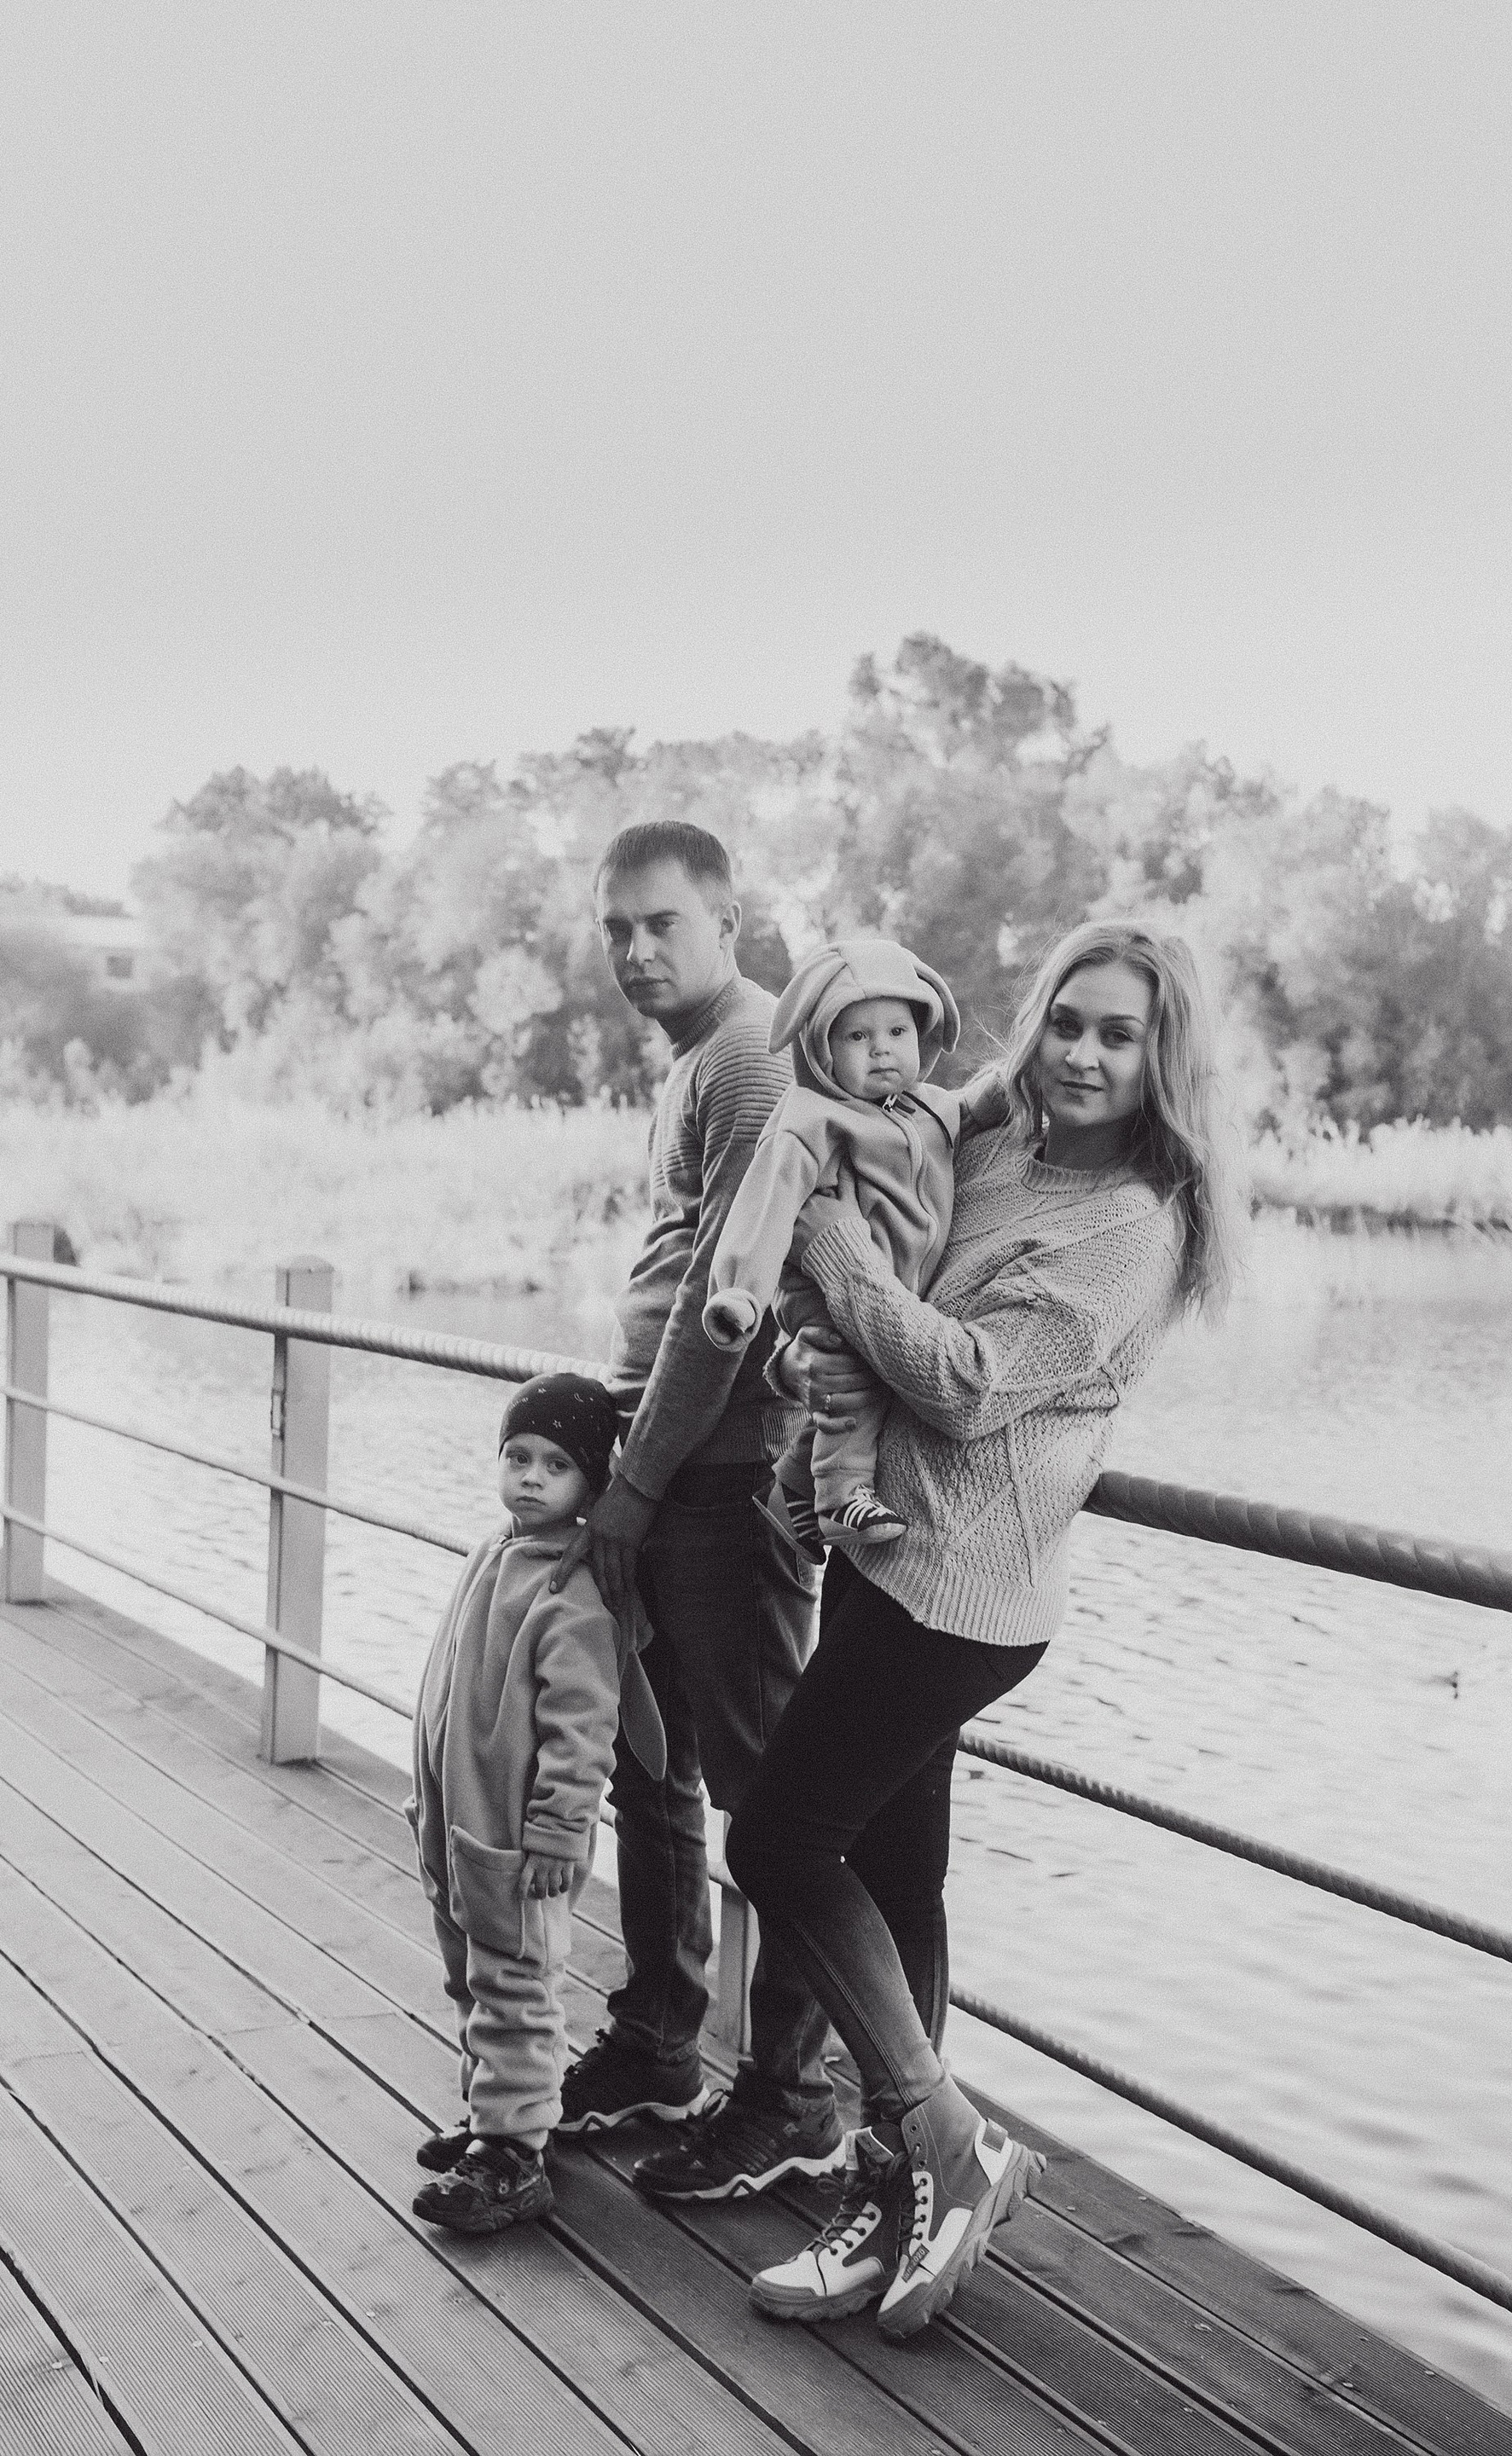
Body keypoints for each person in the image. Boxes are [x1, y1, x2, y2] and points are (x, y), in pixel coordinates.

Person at [726, 918, 1242, 2338]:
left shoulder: (1132, 1224)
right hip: (881, 1548)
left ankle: (948, 2142)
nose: (1081, 1053)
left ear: (1164, 1058)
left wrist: (829, 1249)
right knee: (899, 1883)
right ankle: (898, 2191)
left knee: (775, 1843)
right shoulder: (995, 1135)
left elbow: (962, 1384)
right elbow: (861, 1170)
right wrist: (813, 1329)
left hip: (965, 1597)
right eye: (1066, 1020)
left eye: (1119, 1034)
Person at [551, 820, 844, 2201]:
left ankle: (792, 2097)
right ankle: (662, 2040)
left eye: (660, 922)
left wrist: (635, 1489)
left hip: (723, 1482)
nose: (634, 949)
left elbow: (726, 1307)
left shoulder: (755, 1058)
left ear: (727, 919)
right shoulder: (696, 1060)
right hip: (662, 1469)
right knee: (647, 1768)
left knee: (769, 1802)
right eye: (616, 928)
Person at [408, 1372, 666, 2236]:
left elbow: (584, 1727)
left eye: (556, 1465)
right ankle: (494, 2116)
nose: (530, 1477)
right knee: (471, 1976)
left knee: (516, 1984)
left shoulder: (572, 1587)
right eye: (517, 1456)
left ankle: (514, 2157)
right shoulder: (497, 1550)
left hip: (519, 1842)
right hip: (458, 1825)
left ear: (593, 1483)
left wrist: (559, 1828)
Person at [702, 935, 992, 1553]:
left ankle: (792, 1486)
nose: (881, 1049)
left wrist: (1006, 1090)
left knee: (874, 1370)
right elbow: (767, 1203)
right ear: (822, 1047)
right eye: (858, 1036)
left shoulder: (925, 1110)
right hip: (822, 1287)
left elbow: (969, 1109)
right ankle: (841, 1498)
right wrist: (741, 1293)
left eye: (897, 1031)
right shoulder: (811, 1118)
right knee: (851, 1371)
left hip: (889, 1281)